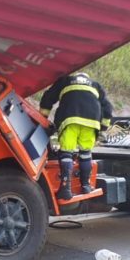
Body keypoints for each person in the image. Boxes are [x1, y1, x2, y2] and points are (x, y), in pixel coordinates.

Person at [39, 71, 113, 200]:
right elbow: (108, 108)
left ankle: (65, 188)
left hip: (70, 120)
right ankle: (85, 185)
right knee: (85, 153)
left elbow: (48, 97)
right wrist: (103, 129)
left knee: (66, 153)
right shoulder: (96, 85)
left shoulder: (65, 81)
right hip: (91, 122)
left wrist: (42, 117)